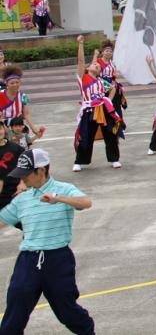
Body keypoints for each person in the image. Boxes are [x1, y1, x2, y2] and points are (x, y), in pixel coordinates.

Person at [0, 149, 95, 334]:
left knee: (66, 311)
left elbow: (86, 202)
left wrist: (58, 199)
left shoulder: (64, 189)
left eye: (26, 174)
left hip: (57, 260)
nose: (23, 179)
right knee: (15, 307)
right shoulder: (23, 199)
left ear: (41, 170)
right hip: (28, 260)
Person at [74, 35, 124, 172]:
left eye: (98, 66)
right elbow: (80, 61)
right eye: (94, 64)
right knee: (86, 135)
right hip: (90, 110)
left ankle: (114, 159)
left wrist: (109, 100)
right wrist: (81, 44)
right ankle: (79, 161)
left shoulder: (101, 81)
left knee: (111, 134)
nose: (96, 65)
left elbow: (113, 88)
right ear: (88, 68)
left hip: (103, 108)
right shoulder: (83, 79)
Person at [0, 65, 42, 134]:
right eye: (12, 83)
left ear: (20, 83)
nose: (15, 85)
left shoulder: (23, 96)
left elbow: (26, 114)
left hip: (18, 125)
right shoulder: (1, 95)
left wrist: (33, 128)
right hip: (3, 125)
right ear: (6, 83)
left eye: (17, 82)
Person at [94, 40, 126, 118]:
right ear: (102, 52)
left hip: (111, 84)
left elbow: (114, 75)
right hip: (100, 84)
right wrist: (95, 55)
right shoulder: (98, 61)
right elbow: (93, 68)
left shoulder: (112, 63)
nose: (108, 53)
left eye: (110, 51)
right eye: (106, 51)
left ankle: (119, 123)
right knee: (102, 105)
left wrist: (116, 76)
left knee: (116, 103)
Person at [0, 122, 25, 222]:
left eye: (0, 128)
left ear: (4, 129)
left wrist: (22, 183)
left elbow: (25, 166)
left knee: (24, 222)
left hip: (14, 191)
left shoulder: (15, 148)